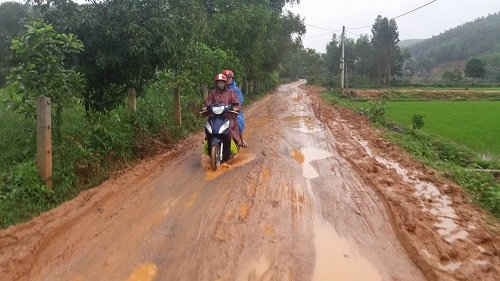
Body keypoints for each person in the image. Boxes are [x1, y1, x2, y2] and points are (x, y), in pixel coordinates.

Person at [205, 73, 242, 146]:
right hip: (215, 116)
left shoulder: (230, 92)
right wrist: (207, 106)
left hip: (227, 116)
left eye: (222, 82)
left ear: (225, 83)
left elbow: (236, 102)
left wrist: (235, 107)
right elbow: (208, 102)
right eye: (219, 82)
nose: (220, 84)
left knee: (232, 125)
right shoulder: (212, 93)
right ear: (216, 83)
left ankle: (236, 141)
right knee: (208, 124)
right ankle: (207, 138)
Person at [223, 69, 247, 147]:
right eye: (226, 78)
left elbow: (239, 101)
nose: (227, 79)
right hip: (222, 110)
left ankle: (241, 139)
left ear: (232, 79)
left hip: (233, 111)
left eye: (229, 78)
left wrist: (236, 107)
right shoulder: (220, 88)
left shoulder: (236, 90)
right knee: (212, 119)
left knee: (238, 121)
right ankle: (208, 138)